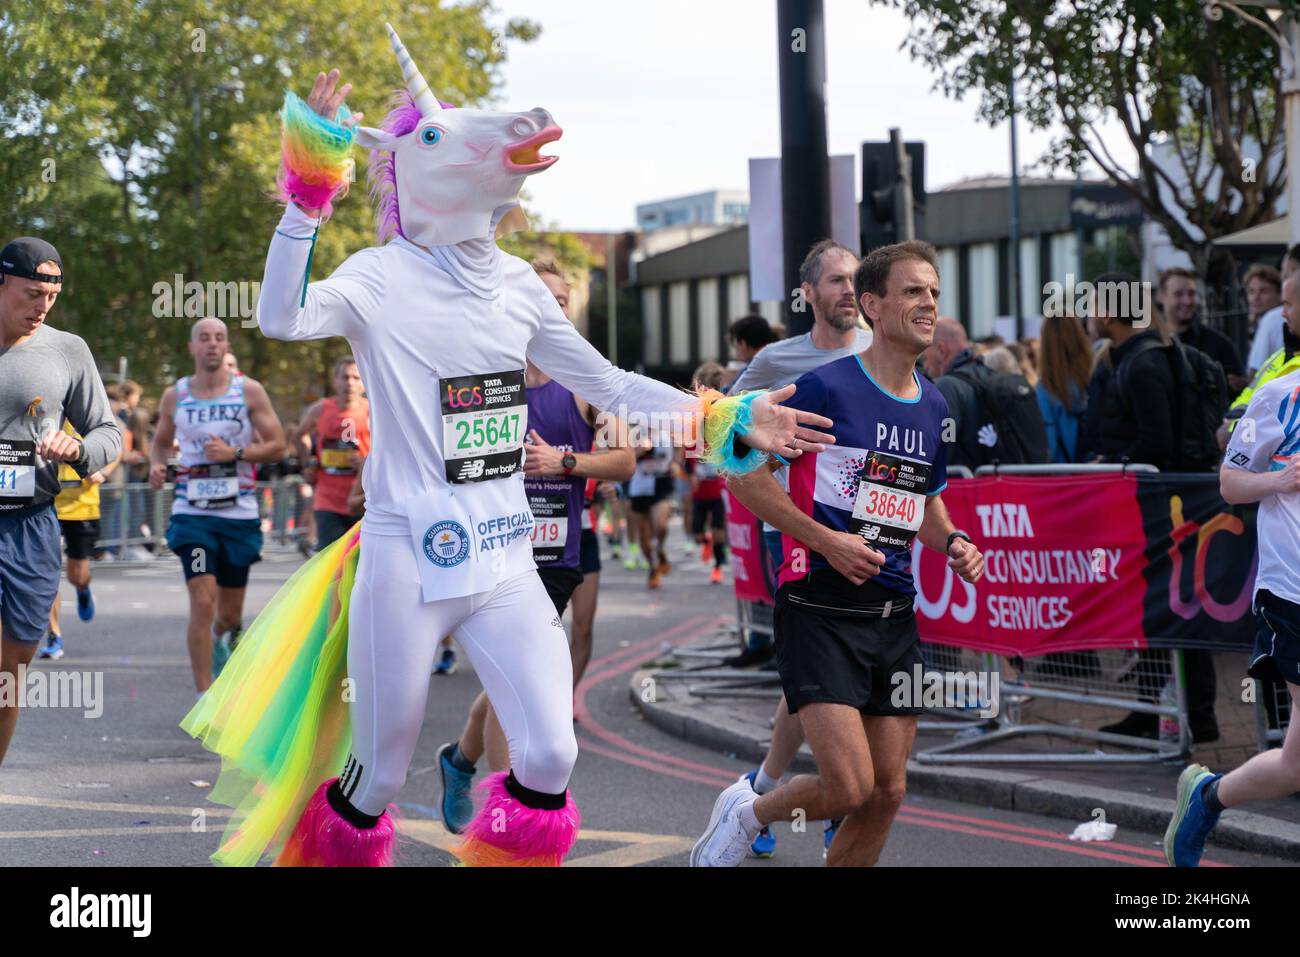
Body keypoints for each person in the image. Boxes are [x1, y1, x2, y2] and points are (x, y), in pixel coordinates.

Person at [182, 43, 826, 868]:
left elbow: (616, 386)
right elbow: (280, 315)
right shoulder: (378, 276)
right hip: (403, 560)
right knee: (376, 773)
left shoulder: (521, 284)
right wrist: (308, 194)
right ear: (415, 173)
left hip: (505, 559)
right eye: (443, 138)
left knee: (552, 757)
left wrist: (726, 417)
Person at [692, 240, 984, 867]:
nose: (928, 302)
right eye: (912, 291)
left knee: (887, 792)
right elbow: (741, 473)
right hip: (820, 606)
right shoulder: (823, 388)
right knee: (848, 787)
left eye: (933, 291)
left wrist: (954, 540)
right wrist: (827, 541)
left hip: (894, 615)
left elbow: (924, 502)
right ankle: (749, 812)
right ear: (873, 305)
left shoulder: (934, 403)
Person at [439, 260, 636, 832]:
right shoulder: (481, 376)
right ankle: (506, 813)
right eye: (543, 297)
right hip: (493, 552)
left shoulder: (588, 383)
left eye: (562, 299)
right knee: (514, 680)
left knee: (513, 678)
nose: (553, 308)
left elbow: (624, 461)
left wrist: (564, 461)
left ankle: (462, 762)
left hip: (556, 557)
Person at [1164, 363, 1300, 866]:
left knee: (1294, 766)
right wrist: (1281, 478)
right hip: (1292, 594)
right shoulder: (1279, 396)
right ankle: (1206, 798)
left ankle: (1207, 796)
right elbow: (1230, 484)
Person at [1084, 273, 1221, 742]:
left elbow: (1156, 444)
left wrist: (1112, 463)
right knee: (1161, 608)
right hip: (1159, 507)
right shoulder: (1139, 357)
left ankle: (1187, 717)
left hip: (1161, 509)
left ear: (1109, 311)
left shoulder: (1143, 365)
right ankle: (1161, 711)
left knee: (1172, 607)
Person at [0, 236, 121, 766]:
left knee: (11, 671)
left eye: (51, 296)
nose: (41, 307)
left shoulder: (67, 350)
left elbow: (108, 433)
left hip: (30, 522)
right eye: (31, 294)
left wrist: (80, 448)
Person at [150, 317, 286, 691]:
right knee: (204, 601)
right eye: (204, 338)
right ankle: (204, 695)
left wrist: (235, 452)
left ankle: (225, 641)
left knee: (228, 614)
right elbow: (161, 441)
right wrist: (157, 465)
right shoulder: (175, 395)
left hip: (238, 514)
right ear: (192, 348)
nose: (212, 344)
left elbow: (278, 445)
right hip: (193, 516)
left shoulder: (249, 392)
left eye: (220, 338)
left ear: (226, 348)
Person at [44, 422, 122, 658]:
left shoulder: (87, 412)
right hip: (47, 504)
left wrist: (104, 472)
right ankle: (53, 635)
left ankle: (83, 587)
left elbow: (116, 447)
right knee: (49, 573)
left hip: (82, 507)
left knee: (76, 575)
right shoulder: (42, 409)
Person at [928, 317, 1047, 469]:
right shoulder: (990, 377)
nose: (924, 363)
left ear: (941, 350)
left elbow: (940, 450)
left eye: (924, 352)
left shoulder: (947, 387)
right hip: (1012, 487)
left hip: (967, 490)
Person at [295, 356, 370, 549]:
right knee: (330, 562)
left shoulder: (373, 411)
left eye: (356, 377)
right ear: (335, 380)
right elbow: (300, 434)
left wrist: (365, 461)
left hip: (364, 500)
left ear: (364, 382)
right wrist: (308, 462)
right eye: (345, 377)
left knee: (360, 564)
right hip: (328, 500)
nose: (350, 383)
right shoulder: (321, 409)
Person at [1159, 267, 1246, 393]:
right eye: (1178, 294)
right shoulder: (1149, 342)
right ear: (1162, 296)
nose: (1187, 301)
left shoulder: (1220, 345)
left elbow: (1237, 395)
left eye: (1191, 293)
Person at [1036, 314, 1093, 464]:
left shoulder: (1047, 387)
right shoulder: (1097, 373)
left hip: (1065, 476)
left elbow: (1050, 443)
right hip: (1102, 470)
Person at [1246, 259, 1290, 378]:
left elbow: (1255, 372)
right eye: (1251, 291)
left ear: (1279, 294)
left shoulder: (1271, 319)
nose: (1256, 297)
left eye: (1263, 291)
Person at [721, 314, 779, 391]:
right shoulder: (779, 357)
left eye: (737, 346)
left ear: (743, 344)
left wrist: (725, 383)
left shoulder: (750, 369)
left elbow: (728, 398)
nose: (737, 353)